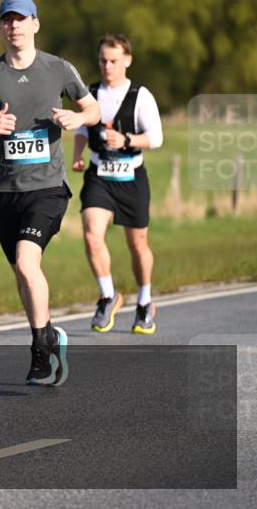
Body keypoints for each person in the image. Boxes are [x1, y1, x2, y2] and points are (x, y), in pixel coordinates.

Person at [0, 0, 100, 387]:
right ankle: (50, 334)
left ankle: (40, 350)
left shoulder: (58, 68)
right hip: (5, 191)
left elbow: (93, 109)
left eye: (22, 20)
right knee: (23, 275)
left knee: (26, 262)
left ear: (36, 24)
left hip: (47, 187)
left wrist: (77, 117)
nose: (15, 27)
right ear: (0, 27)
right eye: (8, 21)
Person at [73, 34, 163, 334]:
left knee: (137, 244)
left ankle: (145, 302)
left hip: (131, 177)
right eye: (102, 60)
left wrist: (126, 139)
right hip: (99, 175)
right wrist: (77, 155)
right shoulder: (91, 92)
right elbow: (83, 130)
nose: (107, 66)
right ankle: (108, 295)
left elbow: (156, 137)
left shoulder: (140, 95)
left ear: (127, 60)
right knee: (91, 233)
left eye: (113, 60)